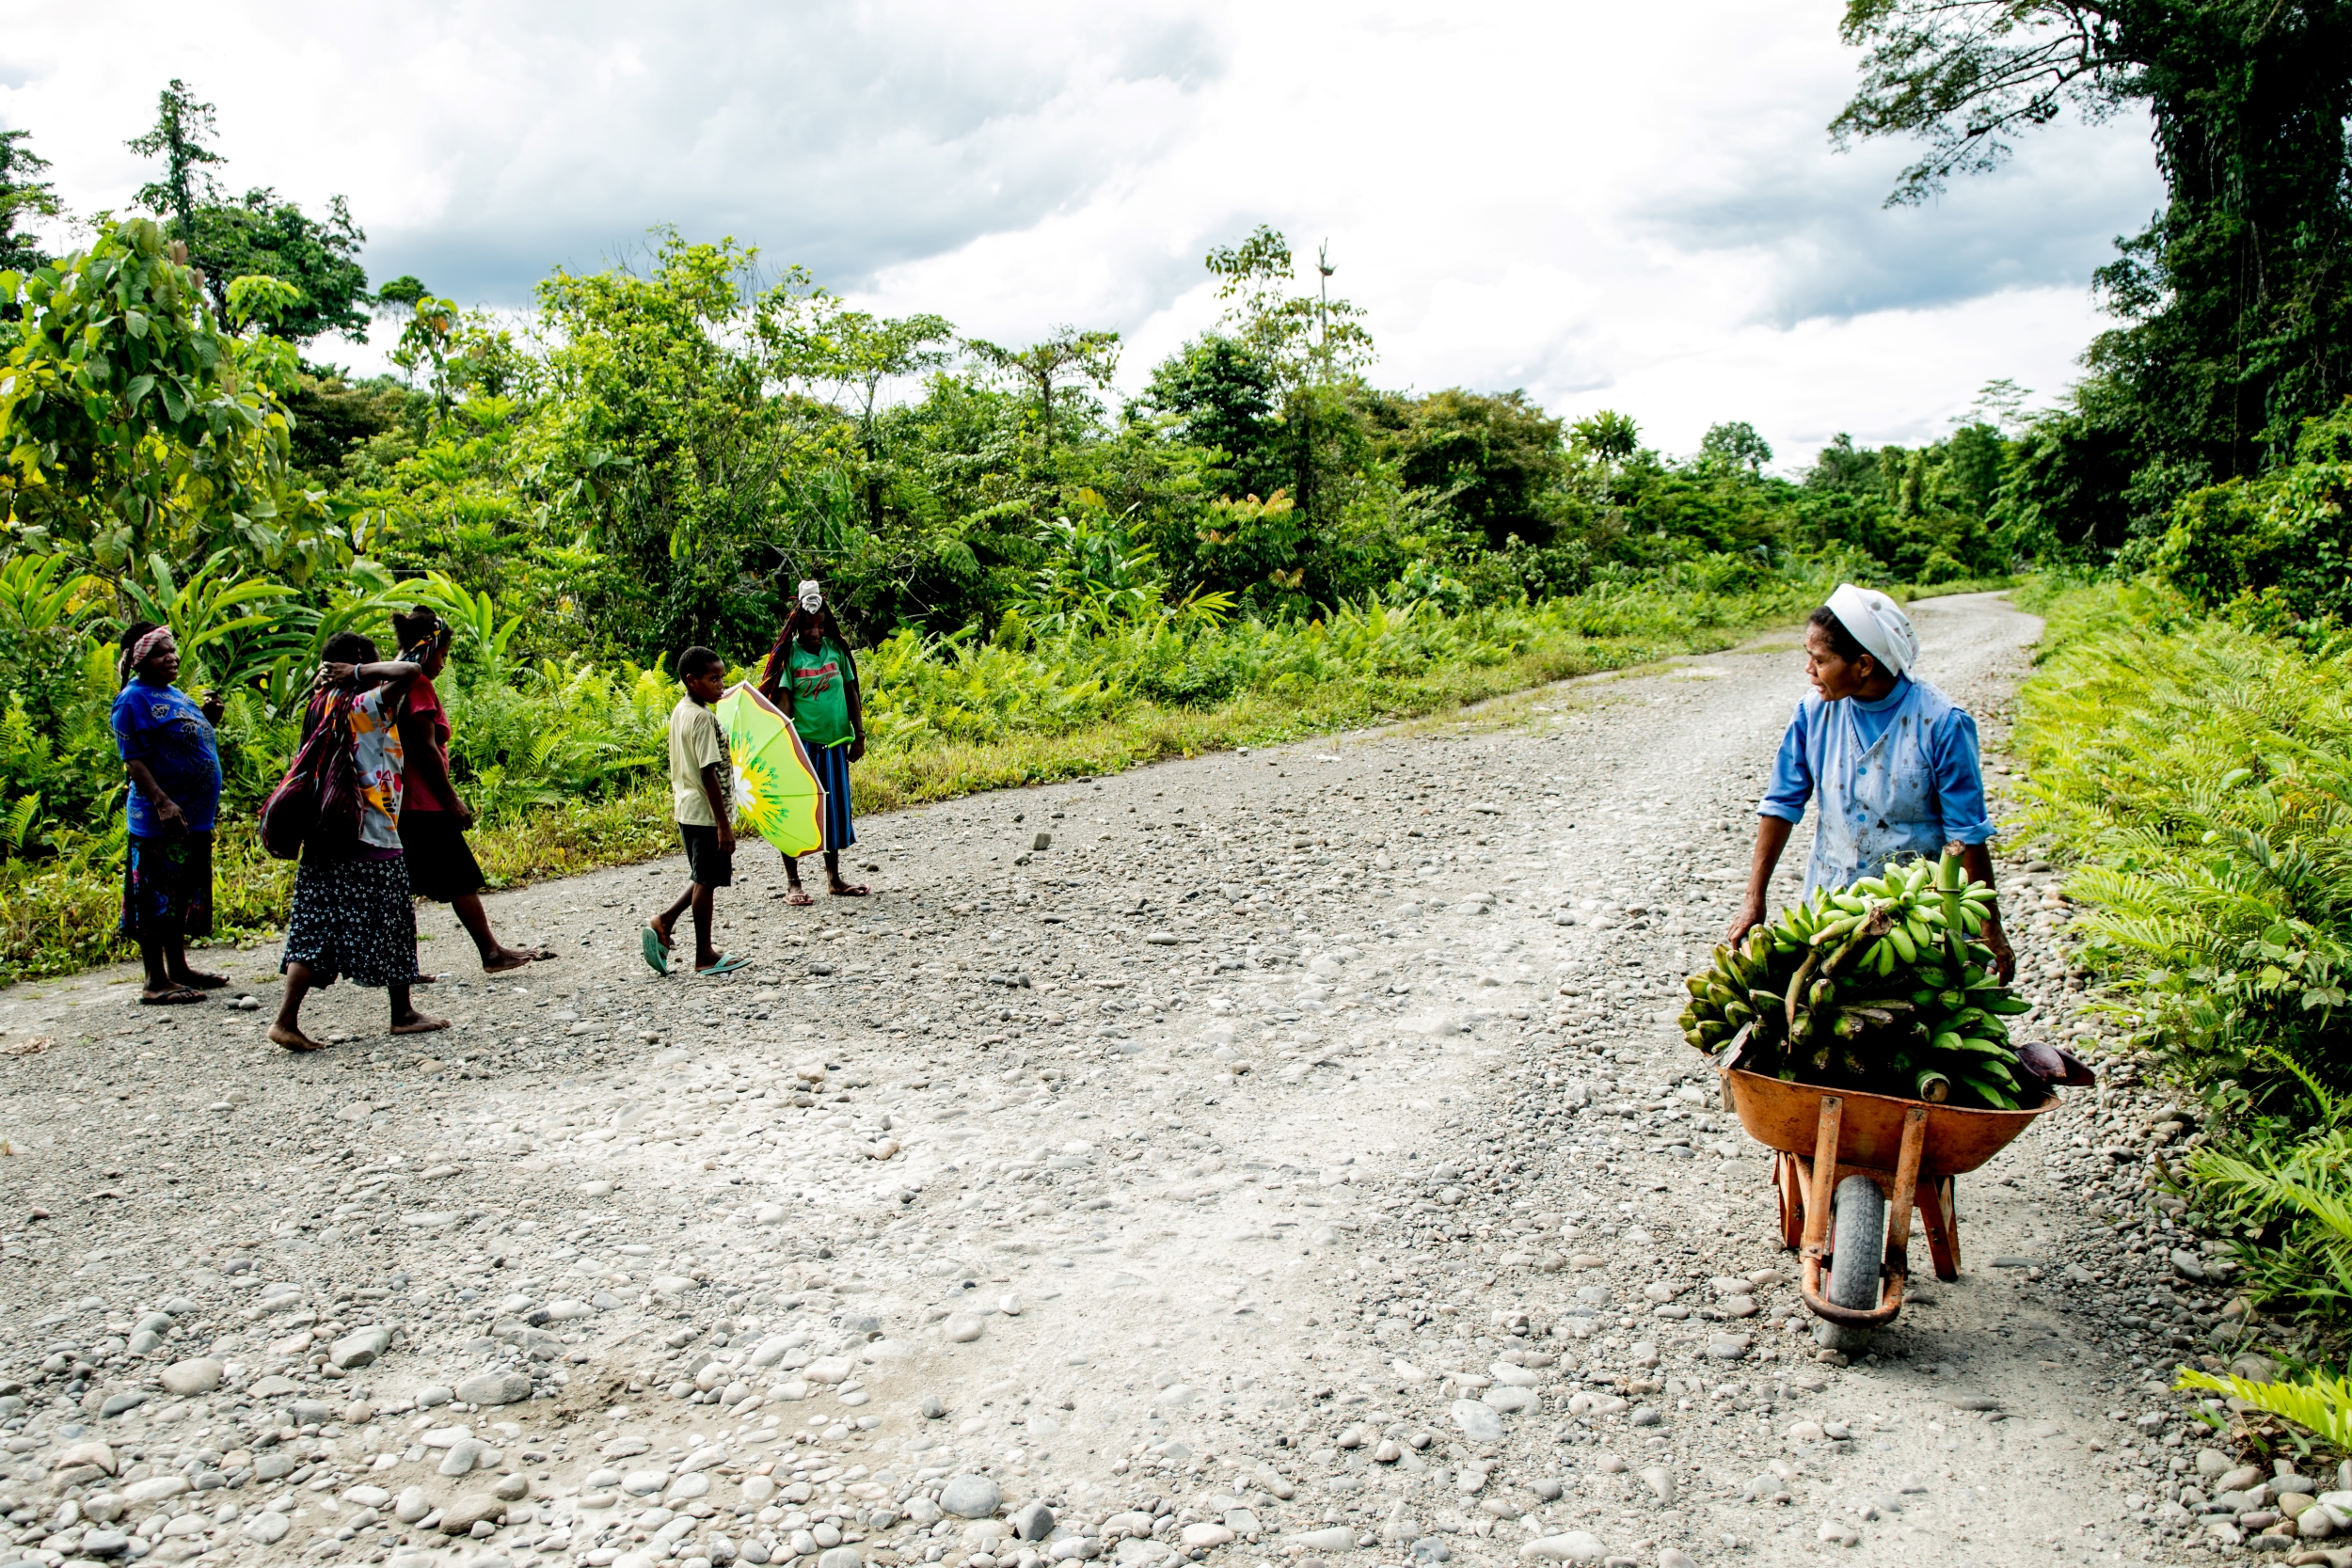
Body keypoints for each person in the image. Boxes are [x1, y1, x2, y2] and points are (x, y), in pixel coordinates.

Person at [1727, 584, 2015, 980]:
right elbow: (1782, 803)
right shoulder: (1813, 712)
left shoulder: (1942, 723)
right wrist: (1753, 899)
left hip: (1918, 917)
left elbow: (1965, 833)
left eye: (1819, 660)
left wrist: (1990, 925)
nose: (1808, 670)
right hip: (1831, 907)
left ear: (1863, 664)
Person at [268, 633, 450, 1051]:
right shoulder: (365, 704)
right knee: (394, 921)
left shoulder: (319, 704)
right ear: (357, 665)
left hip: (323, 833)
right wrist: (361, 673)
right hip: (368, 829)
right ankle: (402, 1013)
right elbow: (411, 670)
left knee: (314, 929)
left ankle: (286, 1019)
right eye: (371, 662)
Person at [388, 606, 555, 978]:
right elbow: (424, 748)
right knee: (458, 878)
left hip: (404, 802)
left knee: (402, 885)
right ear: (428, 651)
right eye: (443, 655)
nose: (444, 664)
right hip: (425, 803)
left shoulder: (396, 683)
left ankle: (402, 967)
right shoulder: (418, 686)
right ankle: (491, 952)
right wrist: (450, 800)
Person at [111, 622, 230, 1004]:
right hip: (161, 820)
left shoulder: (172, 693)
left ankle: (178, 968)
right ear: (142, 658)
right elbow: (134, 760)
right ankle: (154, 980)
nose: (172, 656)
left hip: (193, 817)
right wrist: (163, 802)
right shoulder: (133, 700)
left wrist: (208, 718)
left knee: (178, 893)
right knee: (155, 896)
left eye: (173, 649)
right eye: (162, 651)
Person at [756, 580, 868, 904]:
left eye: (819, 626)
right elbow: (785, 702)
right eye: (808, 626)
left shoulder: (836, 651)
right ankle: (794, 883)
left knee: (831, 810)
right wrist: (782, 744)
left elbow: (850, 692)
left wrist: (859, 734)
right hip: (803, 746)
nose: (815, 632)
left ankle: (834, 879)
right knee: (795, 809)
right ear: (797, 626)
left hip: (835, 743)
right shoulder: (790, 656)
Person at [644, 645, 747, 975]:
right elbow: (708, 773)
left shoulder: (682, 710)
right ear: (691, 681)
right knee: (707, 881)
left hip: (686, 809)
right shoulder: (703, 719)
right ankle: (704, 954)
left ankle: (666, 921)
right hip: (705, 814)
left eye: (722, 678)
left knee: (705, 876)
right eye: (713, 679)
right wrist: (723, 825)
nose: (721, 685)